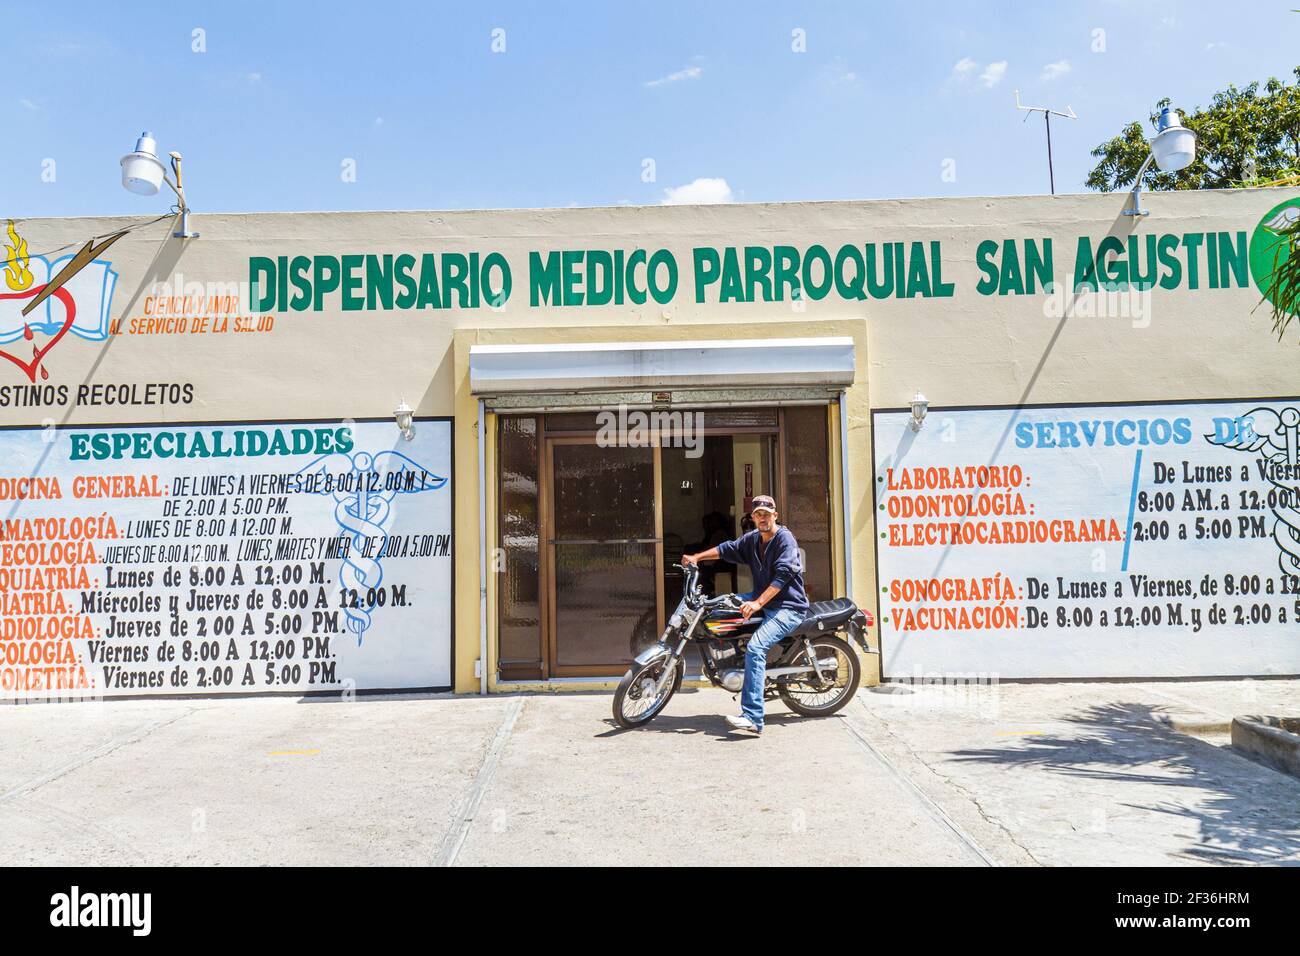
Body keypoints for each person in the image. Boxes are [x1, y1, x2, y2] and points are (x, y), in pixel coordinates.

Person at [682, 494, 808, 735]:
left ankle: (753, 717)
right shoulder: (752, 540)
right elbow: (726, 549)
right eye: (758, 514)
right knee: (716, 607)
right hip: (761, 598)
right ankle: (731, 658)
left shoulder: (785, 539)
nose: (762, 518)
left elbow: (783, 577)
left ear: (775, 516)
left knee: (757, 648)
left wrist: (757, 603)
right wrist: (696, 558)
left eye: (767, 513)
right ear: (753, 517)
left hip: (788, 607)